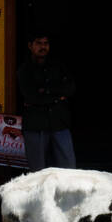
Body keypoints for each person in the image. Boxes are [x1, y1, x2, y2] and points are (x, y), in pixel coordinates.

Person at [16, 30, 77, 171]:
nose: (43, 47)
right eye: (39, 43)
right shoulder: (24, 70)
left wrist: (46, 91)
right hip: (35, 126)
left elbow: (71, 88)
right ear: (30, 45)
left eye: (46, 43)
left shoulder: (58, 66)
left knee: (68, 168)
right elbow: (31, 96)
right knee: (38, 172)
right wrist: (58, 96)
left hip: (59, 123)